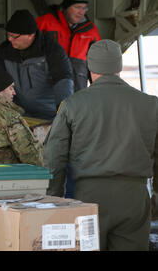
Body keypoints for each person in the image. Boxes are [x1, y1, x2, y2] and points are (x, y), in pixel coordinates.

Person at [44, 39, 158, 251]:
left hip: (89, 198)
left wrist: (54, 198)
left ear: (90, 67)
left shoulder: (72, 105)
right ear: (119, 66)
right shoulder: (151, 104)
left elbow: (54, 156)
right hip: (134, 197)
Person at [0, 9, 74, 120]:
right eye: (8, 35)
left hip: (49, 115)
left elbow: (64, 83)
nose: (9, 39)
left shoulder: (52, 50)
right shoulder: (3, 51)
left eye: (14, 36)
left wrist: (64, 116)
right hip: (17, 115)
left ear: (31, 35)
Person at [36, 0, 101, 92]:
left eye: (84, 8)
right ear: (65, 6)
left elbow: (98, 67)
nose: (81, 12)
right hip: (46, 94)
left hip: (76, 97)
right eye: (77, 7)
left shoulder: (91, 31)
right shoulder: (45, 23)